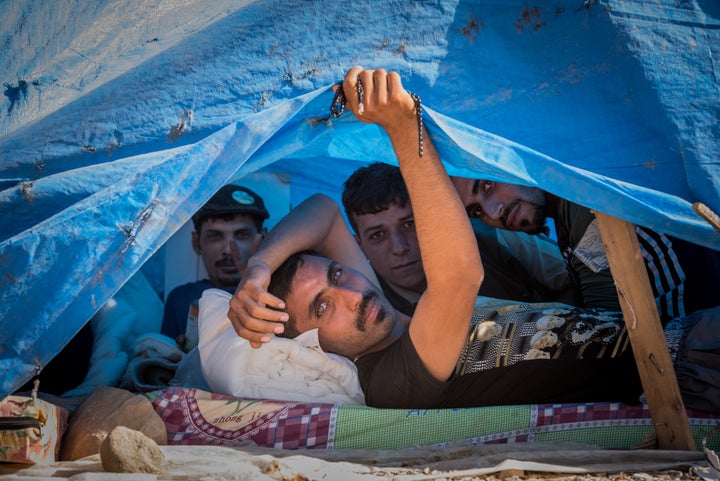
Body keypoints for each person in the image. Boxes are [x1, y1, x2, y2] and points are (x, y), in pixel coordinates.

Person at [226, 67, 642, 409]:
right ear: (310, 347)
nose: (352, 294)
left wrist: (258, 268)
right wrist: (405, 127)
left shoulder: (383, 312)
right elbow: (459, 277)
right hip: (662, 372)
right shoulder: (388, 379)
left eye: (337, 274)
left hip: (661, 342)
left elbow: (324, 210)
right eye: (322, 307)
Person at [449, 176, 720, 323]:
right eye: (475, 210)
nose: (493, 212)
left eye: (487, 185)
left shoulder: (585, 210)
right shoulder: (566, 211)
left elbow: (609, 329)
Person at [341, 162, 579, 316]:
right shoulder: (367, 306)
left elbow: (578, 281)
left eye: (410, 224)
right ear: (359, 246)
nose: (400, 247)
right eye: (378, 235)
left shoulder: (490, 234)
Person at [162, 184, 268, 348]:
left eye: (241, 235)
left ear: (262, 239)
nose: (228, 250)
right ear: (196, 243)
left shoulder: (277, 294)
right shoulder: (181, 300)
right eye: (216, 236)